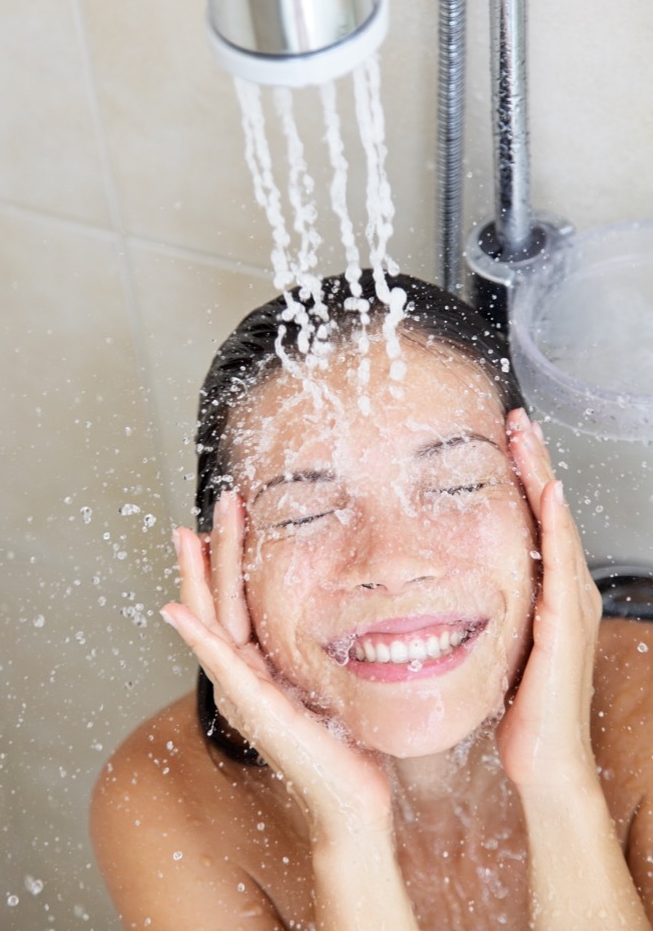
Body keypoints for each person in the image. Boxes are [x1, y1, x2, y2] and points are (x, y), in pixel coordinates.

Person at [91, 270, 653, 930]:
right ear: (225, 569)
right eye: (303, 512)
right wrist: (348, 832)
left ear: (537, 510)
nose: (393, 562)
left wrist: (560, 784)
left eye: (456, 483)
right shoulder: (169, 799)